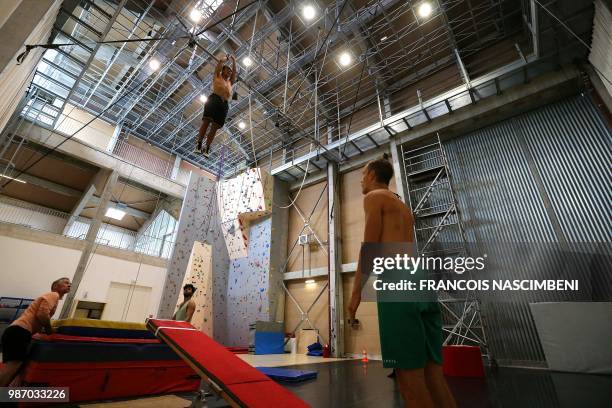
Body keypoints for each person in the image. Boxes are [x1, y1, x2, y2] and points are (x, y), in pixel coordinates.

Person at [347, 154, 457, 408]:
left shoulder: (374, 198)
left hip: (396, 279)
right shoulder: (402, 206)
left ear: (373, 175)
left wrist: (355, 294)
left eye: (363, 174)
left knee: (409, 378)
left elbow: (370, 249)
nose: (361, 181)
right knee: (433, 375)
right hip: (420, 278)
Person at [0, 277, 71, 387]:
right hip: (19, 331)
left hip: (16, 331)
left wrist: (45, 328)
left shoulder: (52, 298)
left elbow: (39, 318)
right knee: (13, 365)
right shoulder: (54, 295)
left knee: (14, 366)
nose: (69, 284)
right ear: (55, 286)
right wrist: (49, 329)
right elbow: (42, 314)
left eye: (69, 283)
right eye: (66, 282)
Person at [195, 54, 237, 157]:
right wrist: (227, 58)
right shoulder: (217, 76)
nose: (230, 72)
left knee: (215, 127)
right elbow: (219, 63)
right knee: (206, 121)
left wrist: (234, 61)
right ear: (223, 71)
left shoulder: (230, 82)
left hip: (224, 104)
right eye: (228, 70)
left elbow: (234, 73)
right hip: (214, 99)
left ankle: (207, 147)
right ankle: (199, 144)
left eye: (230, 71)